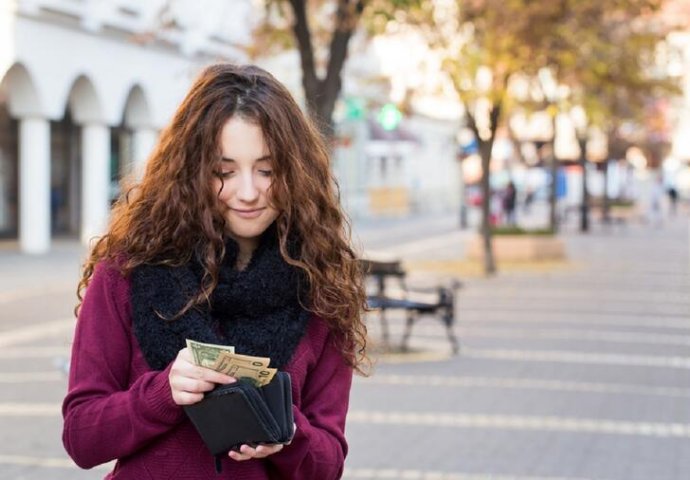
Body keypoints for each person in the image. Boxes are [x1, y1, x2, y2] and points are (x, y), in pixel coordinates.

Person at [62, 63, 368, 479]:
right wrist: (162, 393)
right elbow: (82, 436)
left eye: (267, 170)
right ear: (191, 172)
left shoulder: (321, 288)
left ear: (296, 172)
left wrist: (288, 433)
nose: (247, 192)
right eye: (224, 172)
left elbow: (328, 465)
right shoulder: (126, 270)